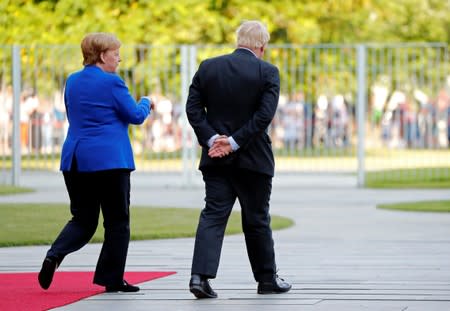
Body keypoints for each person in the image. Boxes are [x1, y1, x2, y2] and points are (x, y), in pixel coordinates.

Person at [38, 32, 153, 293]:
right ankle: (112, 280)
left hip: (76, 160)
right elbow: (135, 115)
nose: (119, 58)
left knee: (83, 219)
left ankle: (54, 255)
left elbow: (74, 115)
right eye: (115, 53)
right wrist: (147, 102)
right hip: (110, 161)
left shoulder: (72, 81)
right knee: (117, 221)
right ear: (102, 55)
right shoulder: (113, 83)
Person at [185, 20, 291, 299]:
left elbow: (193, 108)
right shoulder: (267, 72)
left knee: (213, 214)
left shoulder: (208, 67)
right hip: (254, 158)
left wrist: (212, 139)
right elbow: (263, 116)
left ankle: (199, 277)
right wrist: (233, 143)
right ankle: (266, 279)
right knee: (256, 218)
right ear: (262, 46)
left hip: (215, 159)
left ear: (238, 41)